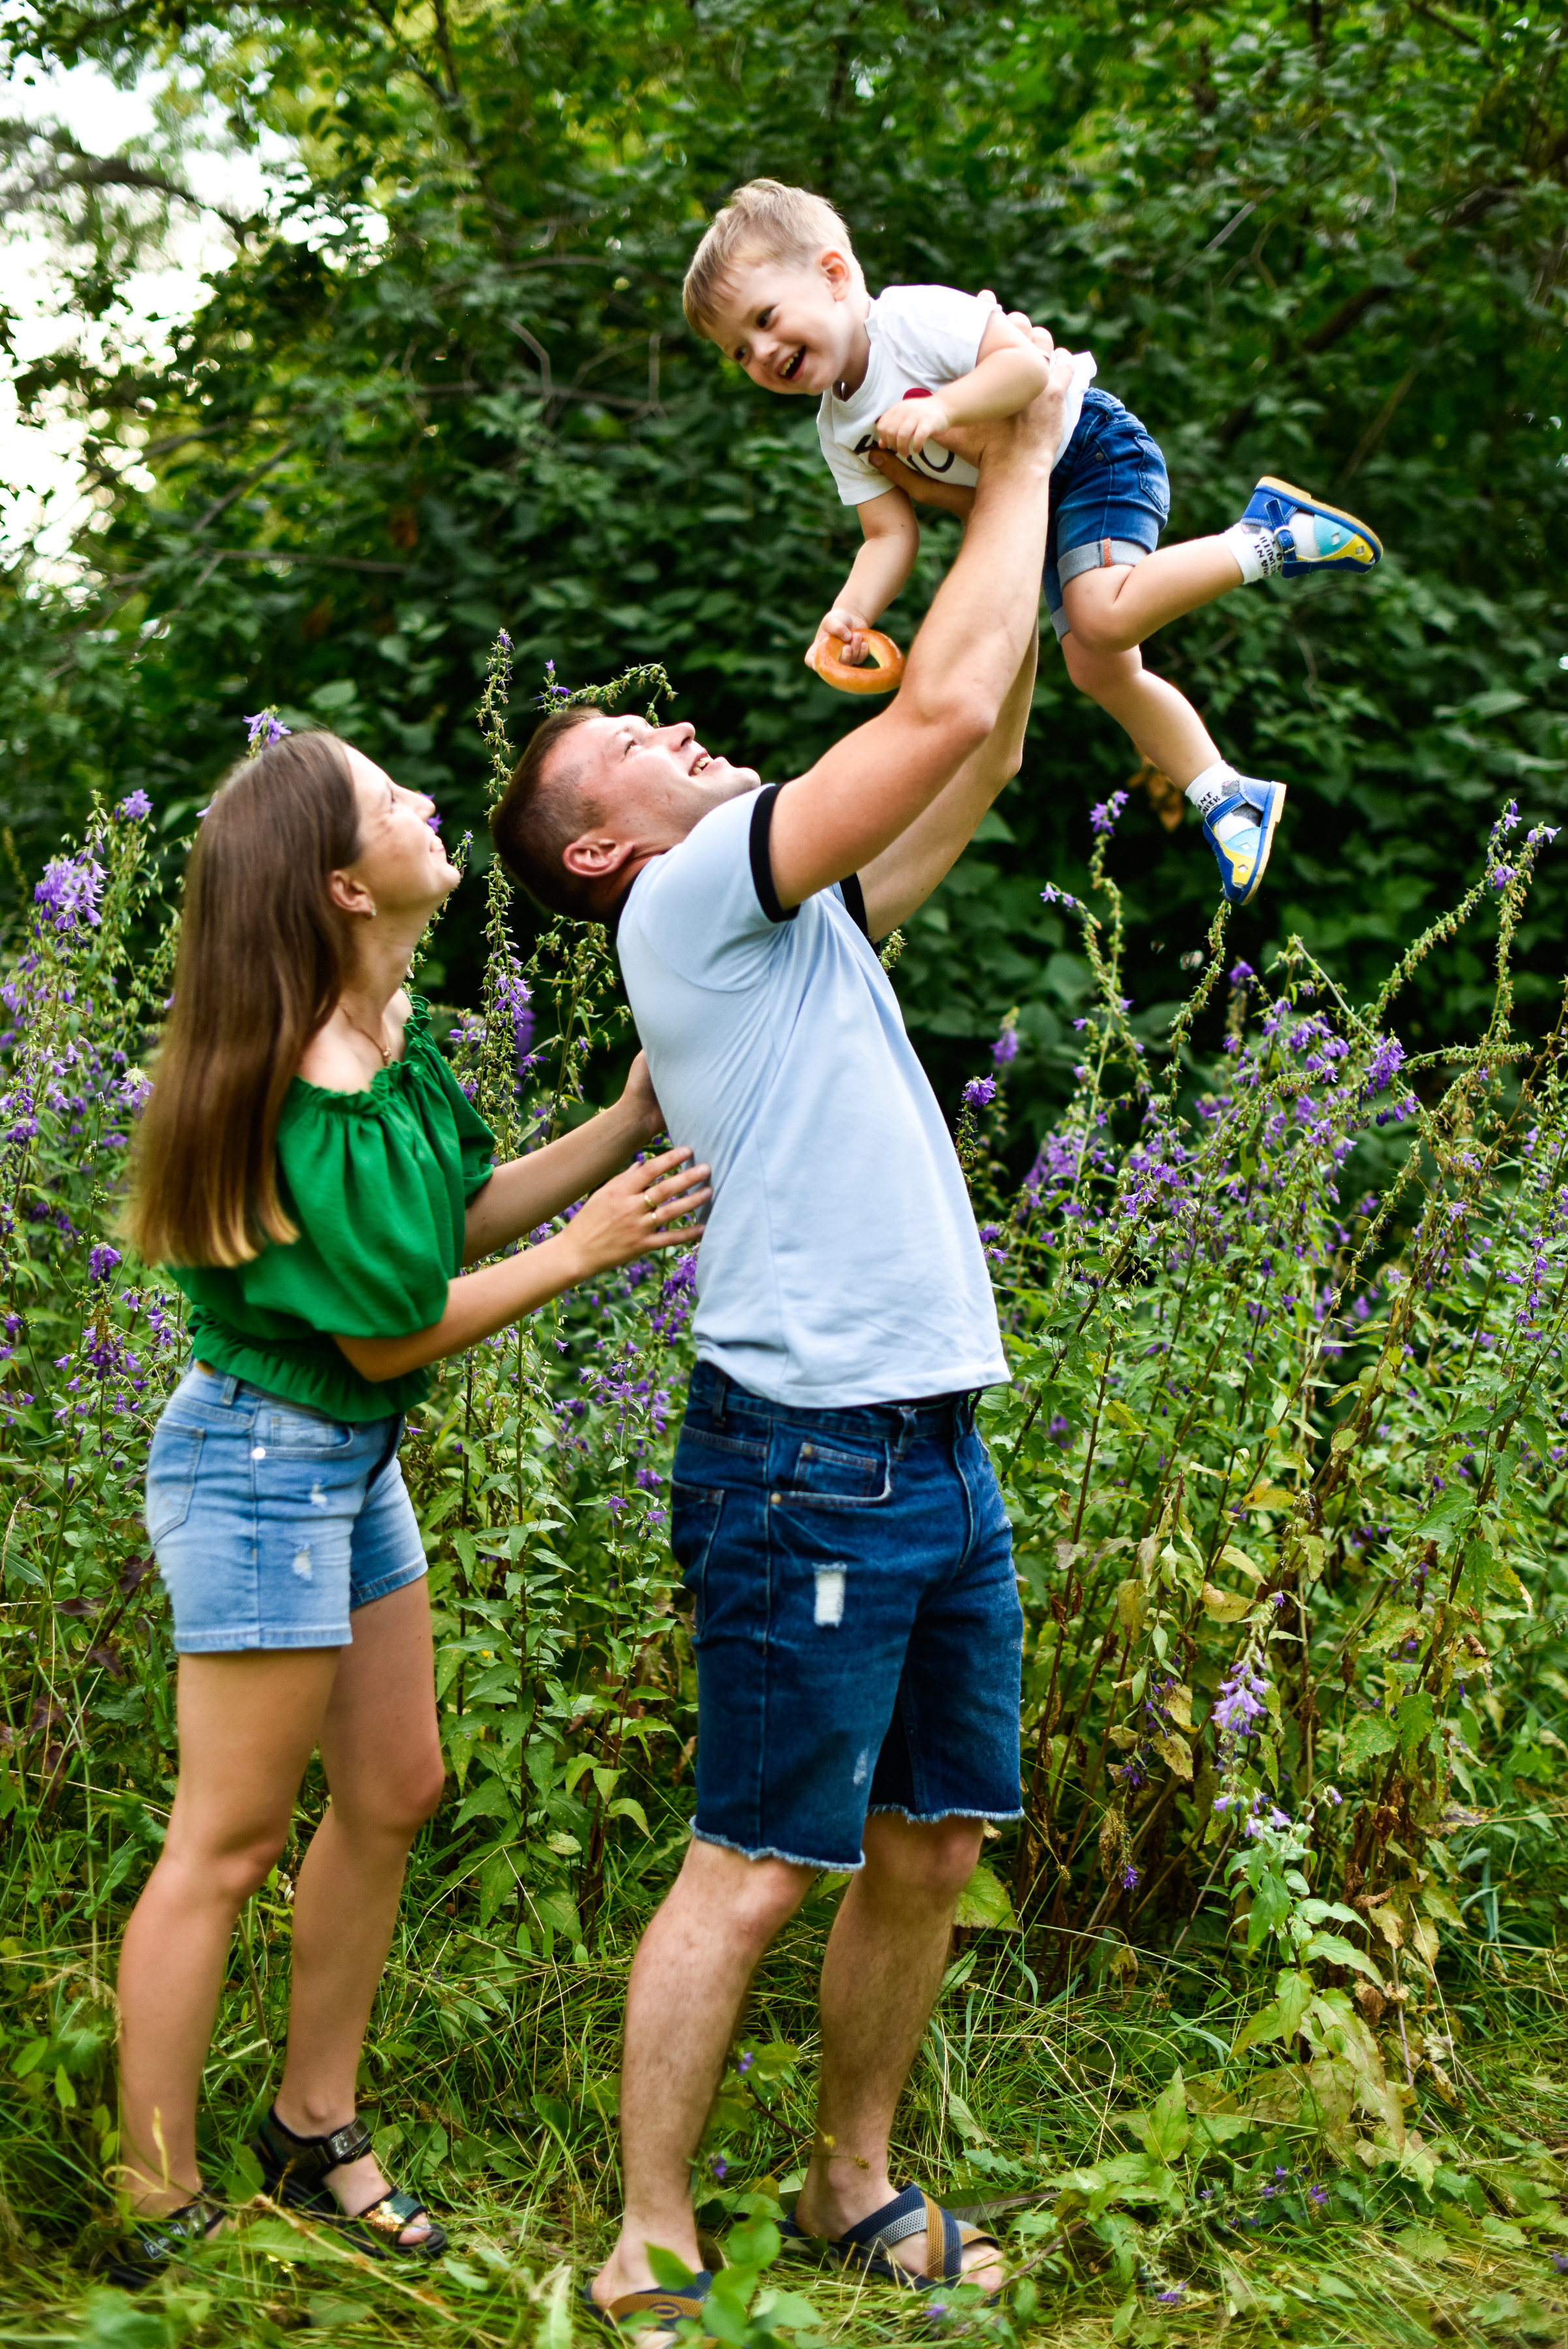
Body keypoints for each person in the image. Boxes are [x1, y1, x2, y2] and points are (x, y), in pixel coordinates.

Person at [490, 336, 1076, 2339]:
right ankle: (649, 2243)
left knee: (929, 1845)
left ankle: (849, 2183)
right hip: (805, 1456)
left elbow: (978, 749)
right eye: (632, 742)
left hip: (935, 1445)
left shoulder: (790, 918)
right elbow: (947, 701)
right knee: (755, 1860)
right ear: (603, 852)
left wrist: (1012, 540)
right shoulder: (684, 912)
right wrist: (1024, 446)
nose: (676, 726)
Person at [111, 729, 709, 2282]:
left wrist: (617, 1132)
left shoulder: (383, 1037)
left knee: (394, 1787)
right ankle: (153, 2196)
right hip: (260, 1462)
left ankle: (312, 2125)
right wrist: (587, 1249)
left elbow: (442, 1224)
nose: (426, 804)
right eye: (391, 801)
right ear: (339, 882)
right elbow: (391, 1328)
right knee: (228, 1840)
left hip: (341, 1457)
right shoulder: (309, 1078)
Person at [683, 177, 1387, 912]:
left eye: (765, 319)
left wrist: (943, 407)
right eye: (739, 352)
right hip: (1030, 504)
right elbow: (888, 534)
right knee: (1098, 668)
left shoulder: (909, 320)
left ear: (833, 275)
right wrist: (850, 612)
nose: (761, 352)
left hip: (1088, 449)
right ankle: (1225, 794)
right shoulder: (838, 430)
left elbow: (1024, 366)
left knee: (1102, 618)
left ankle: (1267, 536)